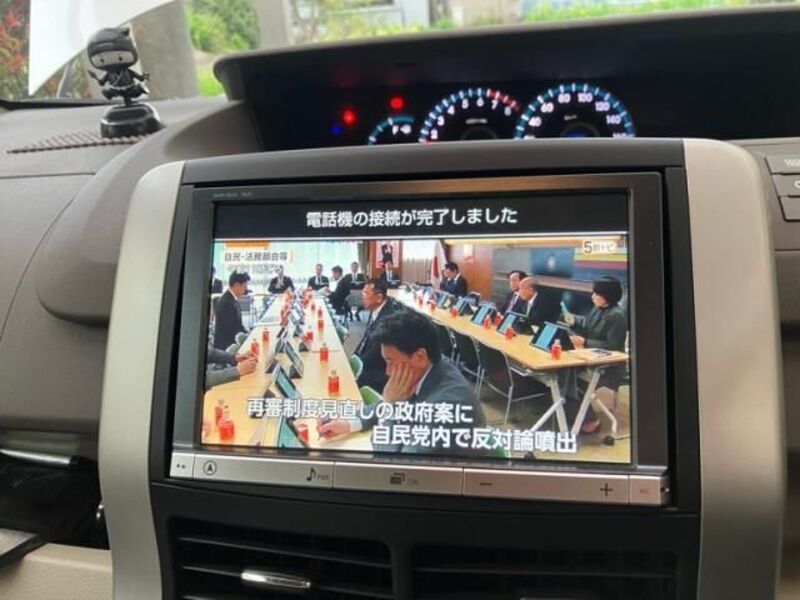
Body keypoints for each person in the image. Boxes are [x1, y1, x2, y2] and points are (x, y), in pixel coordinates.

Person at [317, 310, 487, 455]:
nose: (387, 371)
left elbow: (393, 461)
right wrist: (348, 424)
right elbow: (391, 404)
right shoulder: (428, 368)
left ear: (420, 357)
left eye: (390, 362)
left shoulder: (449, 405)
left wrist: (389, 406)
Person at [564, 276, 628, 433]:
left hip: (609, 367)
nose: (592, 296)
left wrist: (585, 342)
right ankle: (572, 416)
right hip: (590, 359)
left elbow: (613, 346)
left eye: (596, 294)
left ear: (607, 296)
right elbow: (587, 326)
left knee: (572, 380)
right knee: (564, 375)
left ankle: (590, 420)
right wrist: (573, 321)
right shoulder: (597, 308)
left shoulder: (617, 316)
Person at [352, 278, 402, 392]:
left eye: (366, 293)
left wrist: (355, 367)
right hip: (368, 362)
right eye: (363, 292)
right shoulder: (376, 309)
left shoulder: (388, 319)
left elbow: (375, 353)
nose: (363, 297)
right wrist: (353, 358)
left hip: (377, 373)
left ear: (379, 297)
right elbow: (365, 339)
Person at [213, 271, 250, 350]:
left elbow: (238, 326)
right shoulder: (226, 303)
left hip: (232, 341)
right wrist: (247, 339)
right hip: (226, 346)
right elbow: (231, 331)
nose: (246, 289)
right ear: (237, 285)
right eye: (244, 286)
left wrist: (249, 335)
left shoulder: (232, 299)